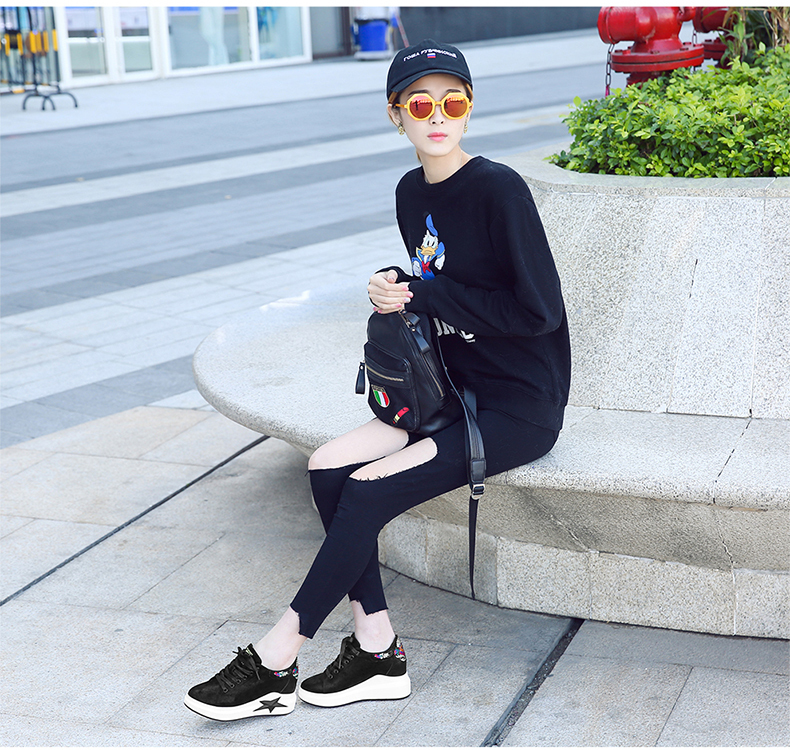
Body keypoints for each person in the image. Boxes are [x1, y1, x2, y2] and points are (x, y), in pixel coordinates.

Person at [184, 38, 571, 722]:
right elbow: (439, 281)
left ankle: (275, 658)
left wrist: (424, 293)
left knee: (365, 491)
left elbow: (537, 313)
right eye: (420, 104)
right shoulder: (410, 192)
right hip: (448, 387)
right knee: (328, 466)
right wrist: (396, 283)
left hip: (517, 406)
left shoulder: (499, 189)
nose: (438, 116)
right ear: (396, 116)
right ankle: (376, 649)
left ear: (470, 108)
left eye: (453, 101)